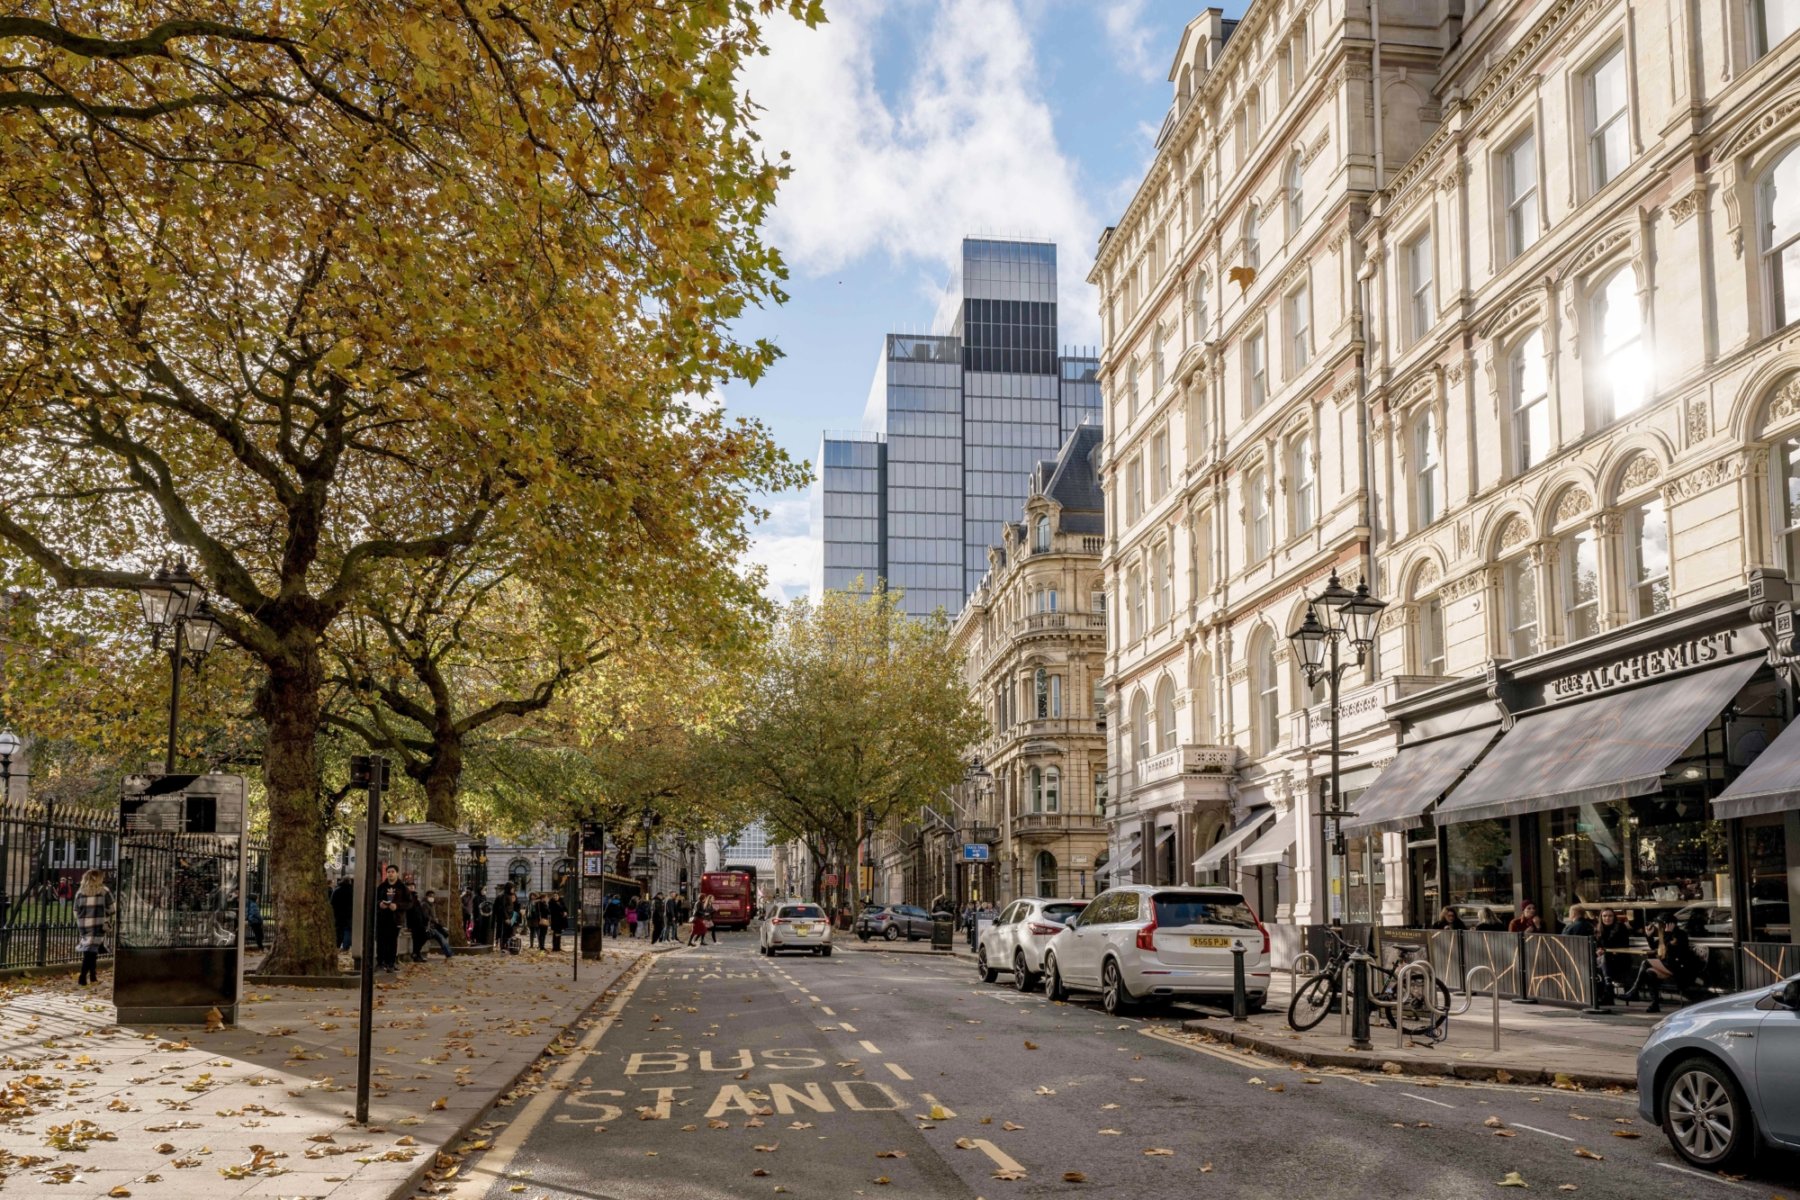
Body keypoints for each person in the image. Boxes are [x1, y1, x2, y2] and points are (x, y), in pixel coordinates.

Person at [1630, 918, 1704, 1014]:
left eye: (1659, 924)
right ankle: (1654, 1004)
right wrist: (1648, 936)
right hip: (1669, 967)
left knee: (1646, 963)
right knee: (1649, 972)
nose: (1657, 926)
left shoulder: (1680, 934)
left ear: (1668, 924)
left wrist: (1668, 934)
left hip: (1681, 969)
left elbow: (1672, 952)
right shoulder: (1665, 934)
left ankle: (1634, 991)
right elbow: (1654, 947)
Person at [74, 869, 115, 987]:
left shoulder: (80, 892)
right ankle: (82, 977)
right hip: (98, 924)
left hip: (84, 925)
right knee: (90, 952)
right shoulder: (104, 891)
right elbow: (112, 909)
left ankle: (93, 976)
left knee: (91, 951)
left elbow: (76, 911)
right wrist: (103, 912)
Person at [1594, 908, 1633, 1004]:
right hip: (1605, 961)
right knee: (1599, 961)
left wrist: (1606, 951)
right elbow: (1597, 945)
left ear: (1614, 917)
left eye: (1610, 916)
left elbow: (1624, 945)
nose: (1607, 918)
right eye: (1604, 916)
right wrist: (1597, 950)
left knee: (1604, 959)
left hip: (1620, 960)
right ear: (1601, 917)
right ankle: (1606, 989)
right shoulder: (1598, 929)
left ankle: (1608, 991)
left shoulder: (1620, 927)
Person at [374, 864, 408, 972]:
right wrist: (380, 904)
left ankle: (391, 963)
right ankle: (380, 962)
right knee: (381, 940)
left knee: (392, 941)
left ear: (397, 873)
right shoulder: (382, 887)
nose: (390, 874)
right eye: (388, 872)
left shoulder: (402, 887)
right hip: (383, 917)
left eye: (392, 872)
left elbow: (409, 902)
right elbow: (374, 899)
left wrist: (397, 906)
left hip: (395, 918)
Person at [419, 891, 455, 958]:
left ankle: (416, 952)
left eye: (433, 896)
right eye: (430, 896)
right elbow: (426, 916)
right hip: (428, 927)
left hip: (431, 926)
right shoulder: (425, 904)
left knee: (440, 937)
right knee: (440, 937)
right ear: (426, 896)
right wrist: (434, 920)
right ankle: (449, 953)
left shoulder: (431, 905)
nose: (432, 897)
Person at [402, 872, 428, 962]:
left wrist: (424, 919)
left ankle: (416, 953)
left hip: (419, 921)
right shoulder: (407, 897)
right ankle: (416, 954)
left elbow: (419, 910)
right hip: (413, 922)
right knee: (417, 938)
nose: (412, 888)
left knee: (423, 936)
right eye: (409, 887)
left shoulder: (416, 897)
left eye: (413, 886)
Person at [330, 877, 354, 951]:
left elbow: (332, 903)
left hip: (338, 914)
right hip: (349, 913)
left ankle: (337, 945)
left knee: (338, 930)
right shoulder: (352, 891)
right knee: (347, 930)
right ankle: (345, 947)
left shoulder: (337, 890)